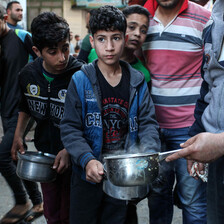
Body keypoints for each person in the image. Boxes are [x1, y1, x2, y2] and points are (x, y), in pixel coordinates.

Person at [60, 5, 160, 224]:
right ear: (92, 41)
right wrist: (86, 160)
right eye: (102, 39)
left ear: (124, 39)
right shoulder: (80, 80)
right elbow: (70, 128)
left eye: (115, 38)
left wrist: (147, 155)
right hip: (86, 175)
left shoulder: (136, 81)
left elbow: (148, 123)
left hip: (122, 177)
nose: (110, 47)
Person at [11, 12, 84, 223]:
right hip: (46, 154)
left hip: (77, 157)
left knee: (71, 211)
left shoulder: (80, 74)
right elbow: (25, 106)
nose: (62, 57)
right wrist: (18, 135)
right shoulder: (27, 75)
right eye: (53, 52)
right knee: (52, 211)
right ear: (37, 51)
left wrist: (70, 149)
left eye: (65, 48)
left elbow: (89, 119)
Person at [142, 0, 211, 223]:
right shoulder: (139, 20)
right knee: (157, 196)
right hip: (151, 130)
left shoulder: (204, 18)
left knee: (193, 200)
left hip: (190, 130)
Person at [166, 0, 224, 223]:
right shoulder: (213, 22)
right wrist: (197, 136)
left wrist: (219, 143)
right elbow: (208, 89)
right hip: (217, 162)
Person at [0, 4, 43, 224]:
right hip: (5, 110)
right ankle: (37, 201)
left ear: (4, 18)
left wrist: (36, 90)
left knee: (3, 157)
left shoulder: (21, 36)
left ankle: (21, 201)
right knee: (18, 155)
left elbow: (44, 58)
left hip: (22, 110)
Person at [88, 5, 151, 91]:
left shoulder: (142, 75)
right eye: (132, 27)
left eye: (143, 31)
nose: (137, 33)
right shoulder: (94, 53)